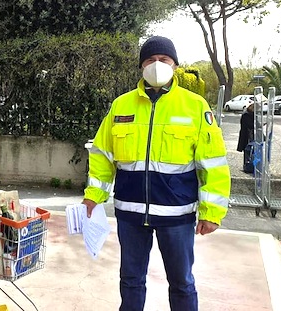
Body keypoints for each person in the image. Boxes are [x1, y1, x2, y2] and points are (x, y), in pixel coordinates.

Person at [81, 36, 231, 311]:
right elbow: (103, 155)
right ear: (141, 66)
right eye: (151, 60)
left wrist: (212, 213)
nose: (157, 65)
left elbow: (213, 164)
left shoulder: (195, 106)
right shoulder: (121, 106)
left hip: (177, 215)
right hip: (130, 214)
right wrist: (93, 195)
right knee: (130, 280)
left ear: (175, 65)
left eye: (164, 60)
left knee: (182, 282)